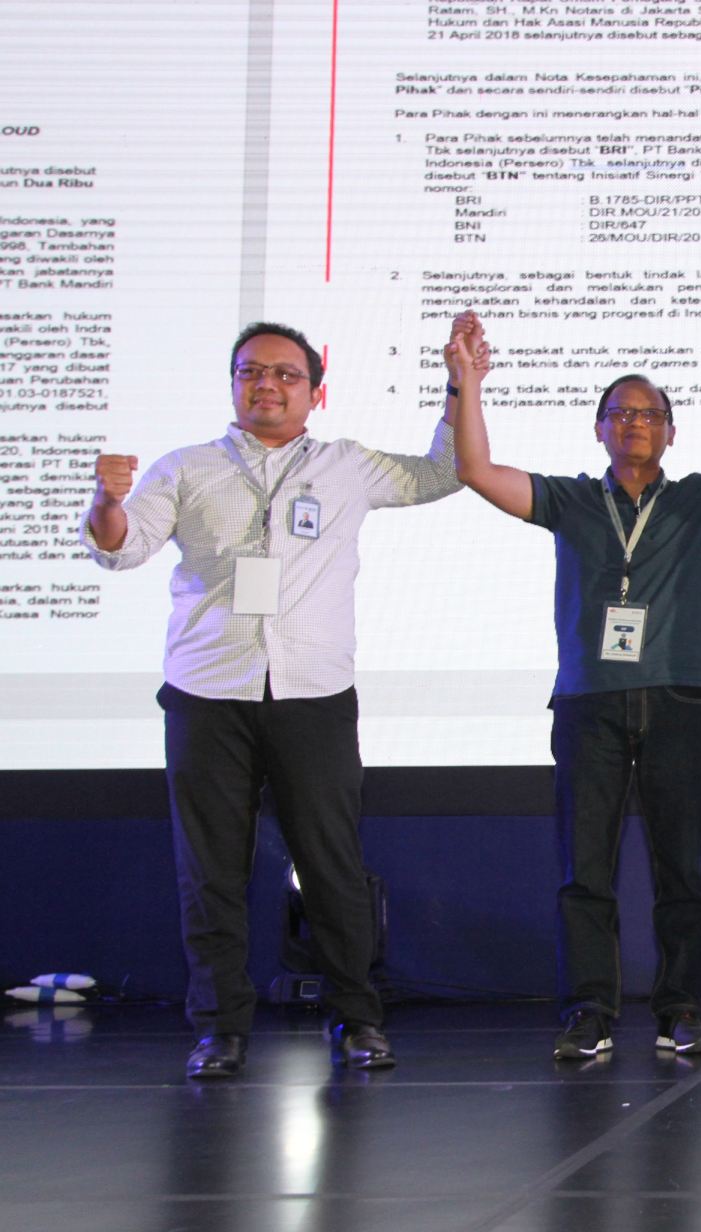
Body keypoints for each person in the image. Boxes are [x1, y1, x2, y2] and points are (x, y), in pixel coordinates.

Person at [83, 319, 468, 1078]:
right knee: (211, 872)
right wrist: (106, 500)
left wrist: (461, 385)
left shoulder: (346, 465)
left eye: (286, 374)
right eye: (251, 372)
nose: (267, 385)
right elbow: (119, 548)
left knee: (331, 865)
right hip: (208, 691)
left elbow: (444, 472)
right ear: (233, 383)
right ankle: (219, 1029)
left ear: (316, 392)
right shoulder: (185, 467)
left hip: (312, 693)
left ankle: (356, 1018)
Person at [446, 311, 701, 1062]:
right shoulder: (568, 500)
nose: (635, 423)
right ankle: (589, 1011)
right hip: (589, 701)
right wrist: (465, 381)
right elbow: (475, 470)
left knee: (681, 871)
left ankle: (681, 1009)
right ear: (598, 428)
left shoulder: (699, 500)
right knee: (585, 871)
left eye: (649, 414)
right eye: (620, 413)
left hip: (679, 696)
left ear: (671, 432)